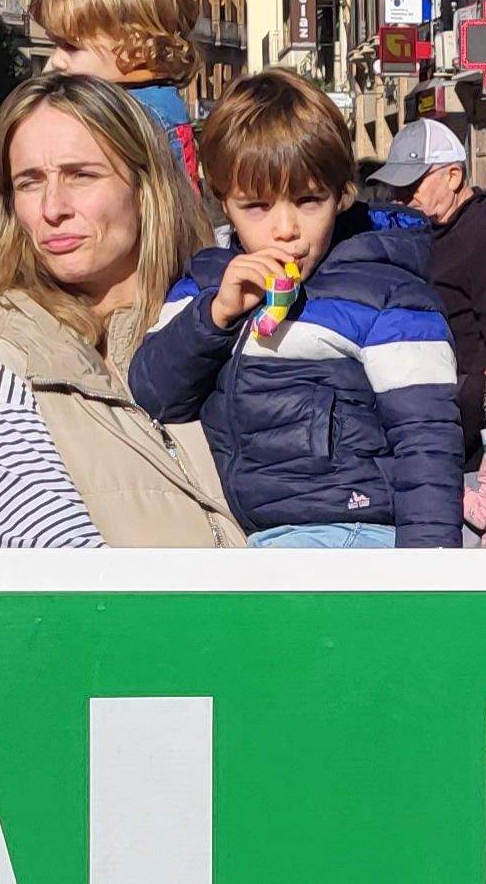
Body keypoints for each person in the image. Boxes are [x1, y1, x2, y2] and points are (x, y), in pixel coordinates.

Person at [131, 73, 464, 547]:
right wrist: (215, 316)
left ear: (342, 194)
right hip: (249, 533)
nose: (285, 229)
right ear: (222, 201)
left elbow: (426, 444)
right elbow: (153, 392)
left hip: (349, 531)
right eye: (257, 206)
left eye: (309, 201)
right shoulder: (208, 282)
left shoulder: (386, 295)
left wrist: (426, 584)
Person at [0, 72, 244, 546]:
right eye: (30, 183)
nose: (53, 208)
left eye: (81, 175)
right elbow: (56, 560)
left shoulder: (231, 313)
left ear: (145, 184)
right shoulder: (4, 356)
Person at [369, 116, 486, 450]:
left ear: (453, 177)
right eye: (396, 186)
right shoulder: (423, 231)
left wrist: (450, 423)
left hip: (460, 433)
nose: (401, 196)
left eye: (412, 184)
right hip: (417, 416)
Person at [35, 0, 206, 160]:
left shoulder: (125, 119)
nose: (57, 60)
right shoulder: (160, 104)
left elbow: (38, 162)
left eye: (71, 46)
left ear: (134, 47)